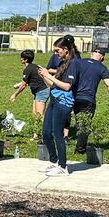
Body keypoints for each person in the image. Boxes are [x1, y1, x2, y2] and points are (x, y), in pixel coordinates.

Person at [37, 36, 81, 176]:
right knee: (46, 132)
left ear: (66, 49)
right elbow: (55, 85)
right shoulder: (63, 63)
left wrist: (48, 75)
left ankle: (63, 166)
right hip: (54, 99)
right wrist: (43, 75)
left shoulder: (73, 63)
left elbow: (67, 86)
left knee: (57, 134)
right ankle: (54, 161)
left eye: (57, 50)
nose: (55, 54)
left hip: (63, 103)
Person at [73, 47, 109, 154]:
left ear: (91, 54)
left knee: (78, 122)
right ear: (102, 57)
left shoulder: (79, 62)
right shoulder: (102, 68)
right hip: (88, 99)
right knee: (85, 124)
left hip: (74, 97)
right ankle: (80, 149)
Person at [9, 49, 50, 118]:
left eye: (22, 57)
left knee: (39, 115)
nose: (20, 59)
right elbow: (32, 79)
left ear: (26, 59)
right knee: (35, 115)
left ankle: (46, 128)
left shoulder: (27, 69)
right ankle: (37, 128)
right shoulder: (34, 66)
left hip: (41, 92)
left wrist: (15, 94)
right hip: (38, 92)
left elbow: (23, 85)